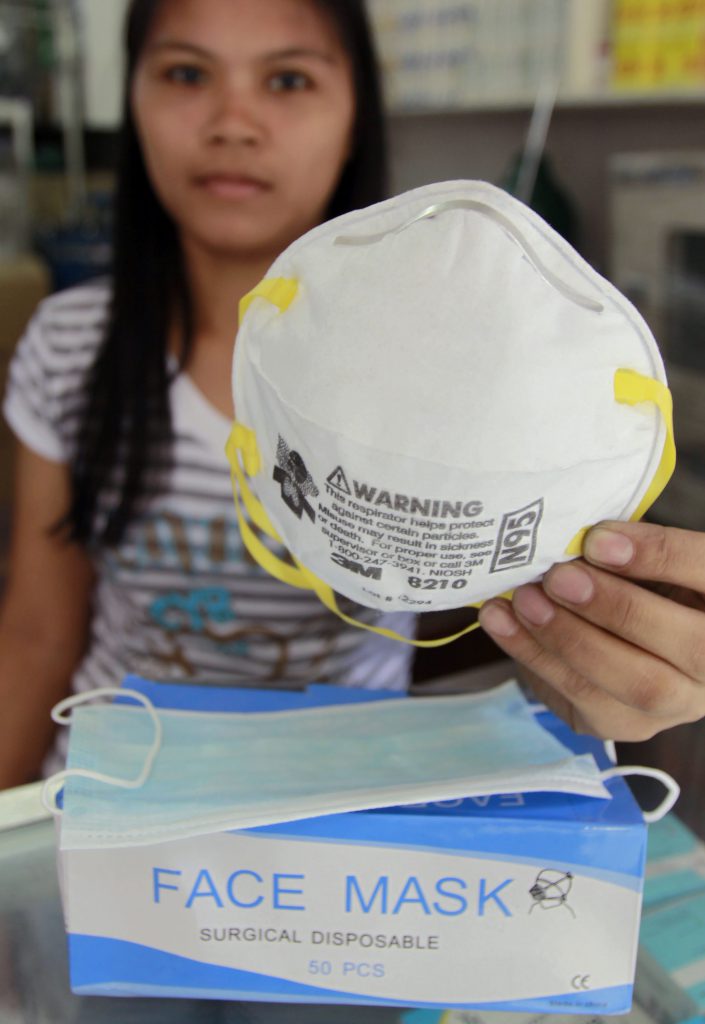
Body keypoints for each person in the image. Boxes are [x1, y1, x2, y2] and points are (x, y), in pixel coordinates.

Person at [2, 0, 705, 798]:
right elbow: (36, 633)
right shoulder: (71, 346)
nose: (232, 123)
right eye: (187, 73)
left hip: (343, 808)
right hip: (108, 794)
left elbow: (521, 617)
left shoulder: (461, 381)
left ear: (354, 118)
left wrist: (592, 666)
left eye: (287, 80)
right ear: (133, 97)